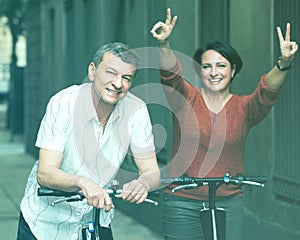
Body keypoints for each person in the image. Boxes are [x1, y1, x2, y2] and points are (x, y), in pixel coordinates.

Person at [151, 8, 298, 240]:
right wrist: (164, 43)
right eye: (207, 67)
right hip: (181, 202)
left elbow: (266, 92)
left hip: (228, 203)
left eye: (221, 66)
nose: (214, 72)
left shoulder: (244, 108)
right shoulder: (186, 99)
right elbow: (170, 76)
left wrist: (283, 63)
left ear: (233, 70)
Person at [16, 42, 161, 240]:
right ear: (92, 71)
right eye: (111, 72)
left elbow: (152, 171)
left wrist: (143, 183)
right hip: (45, 223)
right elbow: (45, 173)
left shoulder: (136, 110)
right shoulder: (63, 103)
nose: (118, 84)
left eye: (126, 78)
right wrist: (82, 182)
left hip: (94, 219)